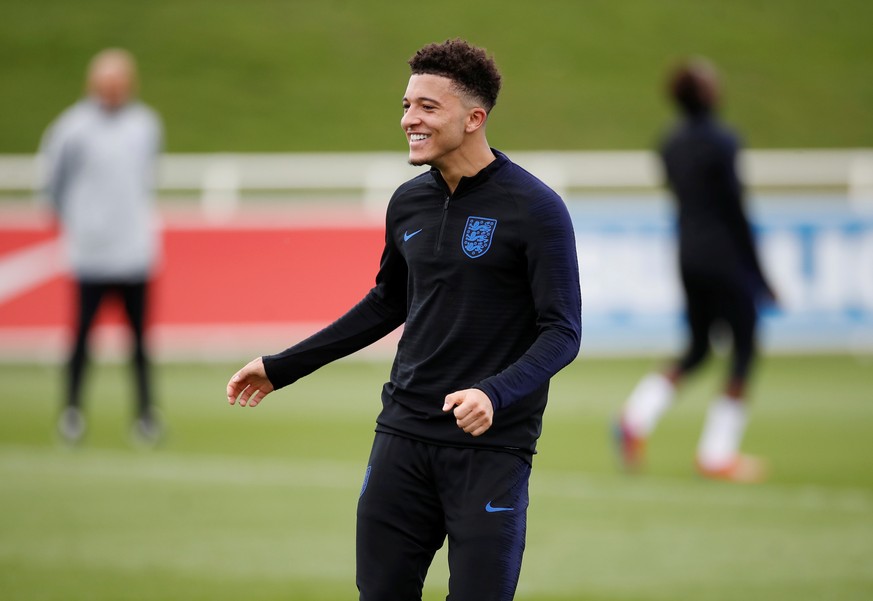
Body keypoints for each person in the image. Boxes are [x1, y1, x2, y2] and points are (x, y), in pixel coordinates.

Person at [226, 39, 581, 600]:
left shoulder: (535, 208)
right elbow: (388, 302)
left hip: (491, 449)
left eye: (426, 107)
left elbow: (562, 331)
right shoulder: (407, 203)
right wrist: (283, 366)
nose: (409, 119)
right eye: (407, 104)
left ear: (474, 118)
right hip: (404, 437)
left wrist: (493, 394)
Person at [614, 58, 776, 483]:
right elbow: (735, 211)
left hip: (688, 254)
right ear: (706, 93)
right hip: (726, 256)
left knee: (699, 348)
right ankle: (717, 453)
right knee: (743, 348)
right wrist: (761, 275)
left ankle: (635, 416)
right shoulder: (723, 141)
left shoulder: (669, 144)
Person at [40, 48, 164, 446]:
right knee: (81, 338)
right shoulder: (71, 129)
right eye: (107, 83)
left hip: (134, 251)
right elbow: (53, 186)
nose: (113, 90)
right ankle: (72, 413)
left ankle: (145, 415)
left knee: (140, 342)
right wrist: (82, 223)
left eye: (120, 82)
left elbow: (145, 178)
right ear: (93, 84)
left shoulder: (145, 125)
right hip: (91, 253)